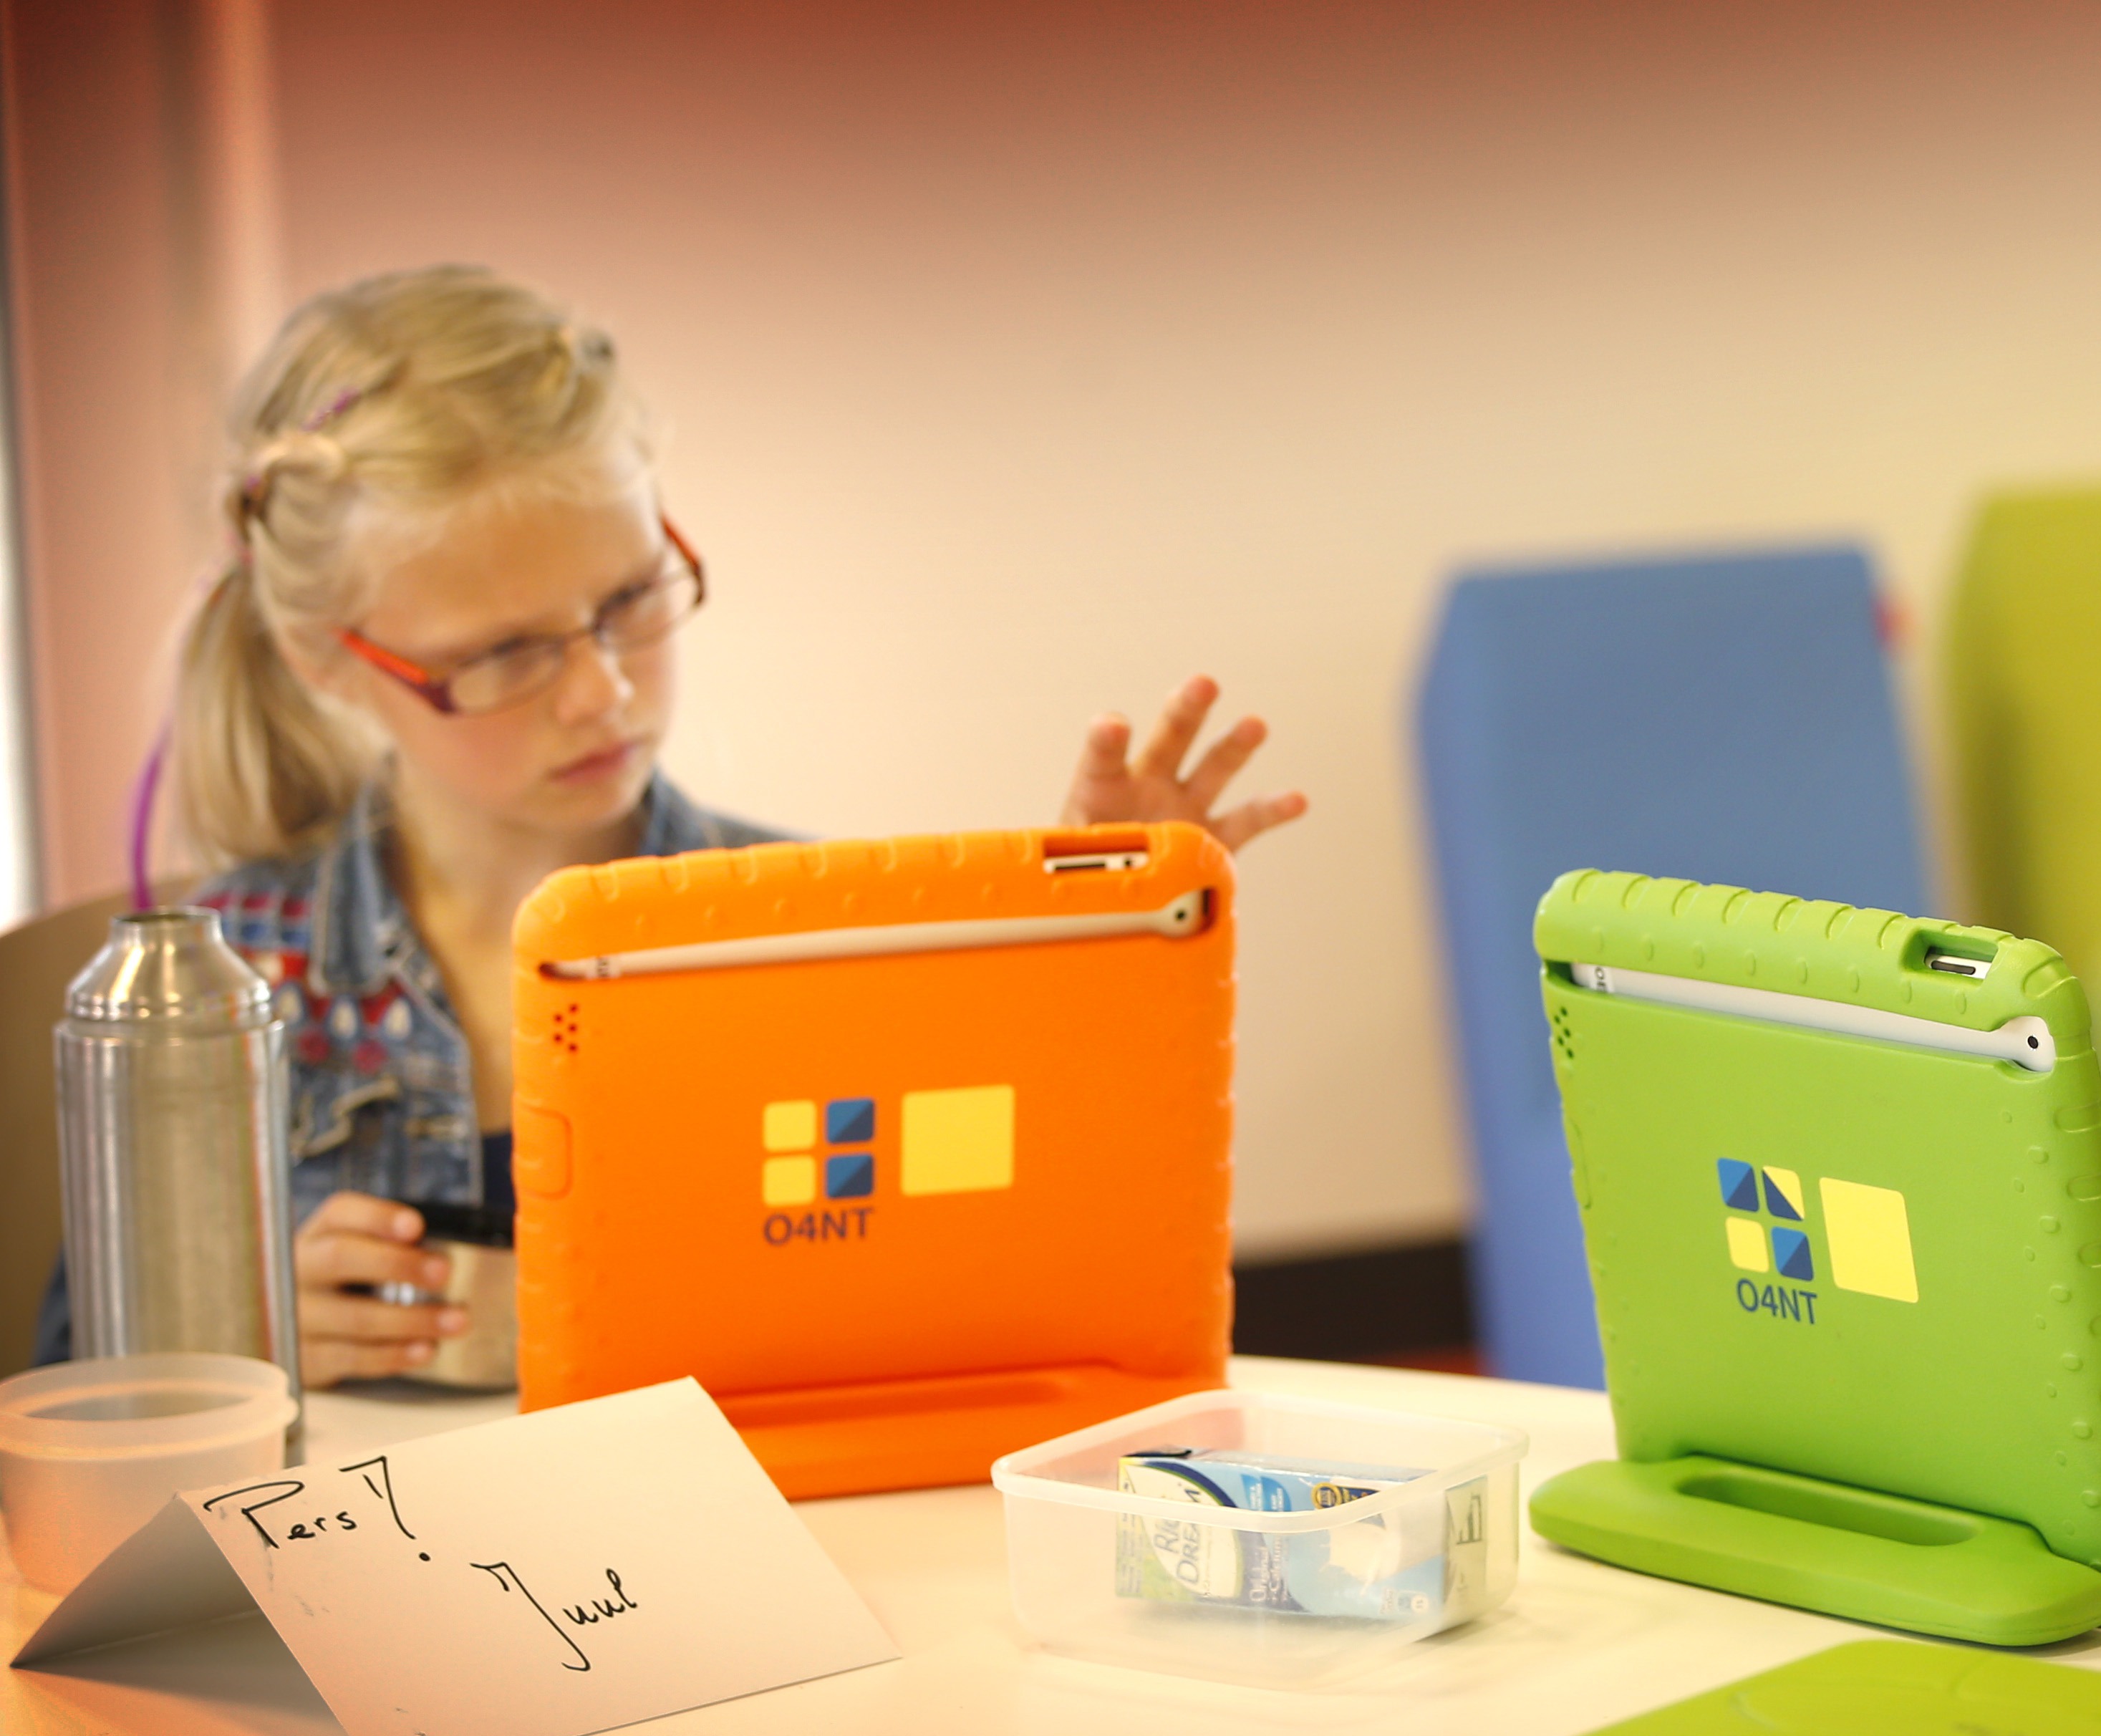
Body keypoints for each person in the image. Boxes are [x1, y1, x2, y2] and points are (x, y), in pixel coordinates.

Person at [44, 264, 1306, 1387]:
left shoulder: (804, 933)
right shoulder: (206, 989)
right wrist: (231, 1341)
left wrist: (1093, 956)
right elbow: (64, 1388)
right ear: (328, 660)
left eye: (633, 597)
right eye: (502, 653)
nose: (601, 690)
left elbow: (994, 1273)